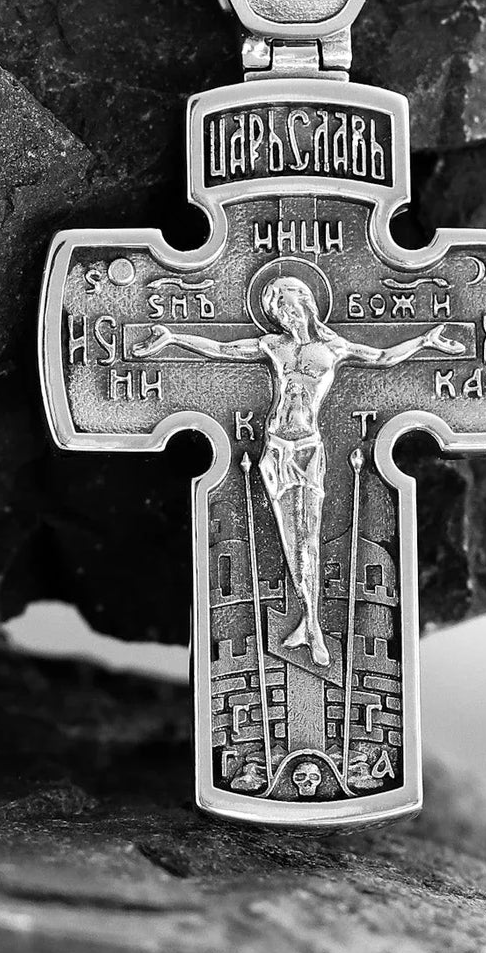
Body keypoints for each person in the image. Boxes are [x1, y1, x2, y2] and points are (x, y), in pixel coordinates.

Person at [137, 277, 463, 665]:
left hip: (307, 449)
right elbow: (222, 349)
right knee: (288, 538)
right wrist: (173, 337)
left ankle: (313, 626)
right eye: (277, 310)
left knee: (308, 536)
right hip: (276, 448)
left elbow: (382, 357)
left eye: (288, 306)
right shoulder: (273, 345)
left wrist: (426, 341)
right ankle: (308, 624)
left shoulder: (333, 348)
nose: (284, 315)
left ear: (306, 304)